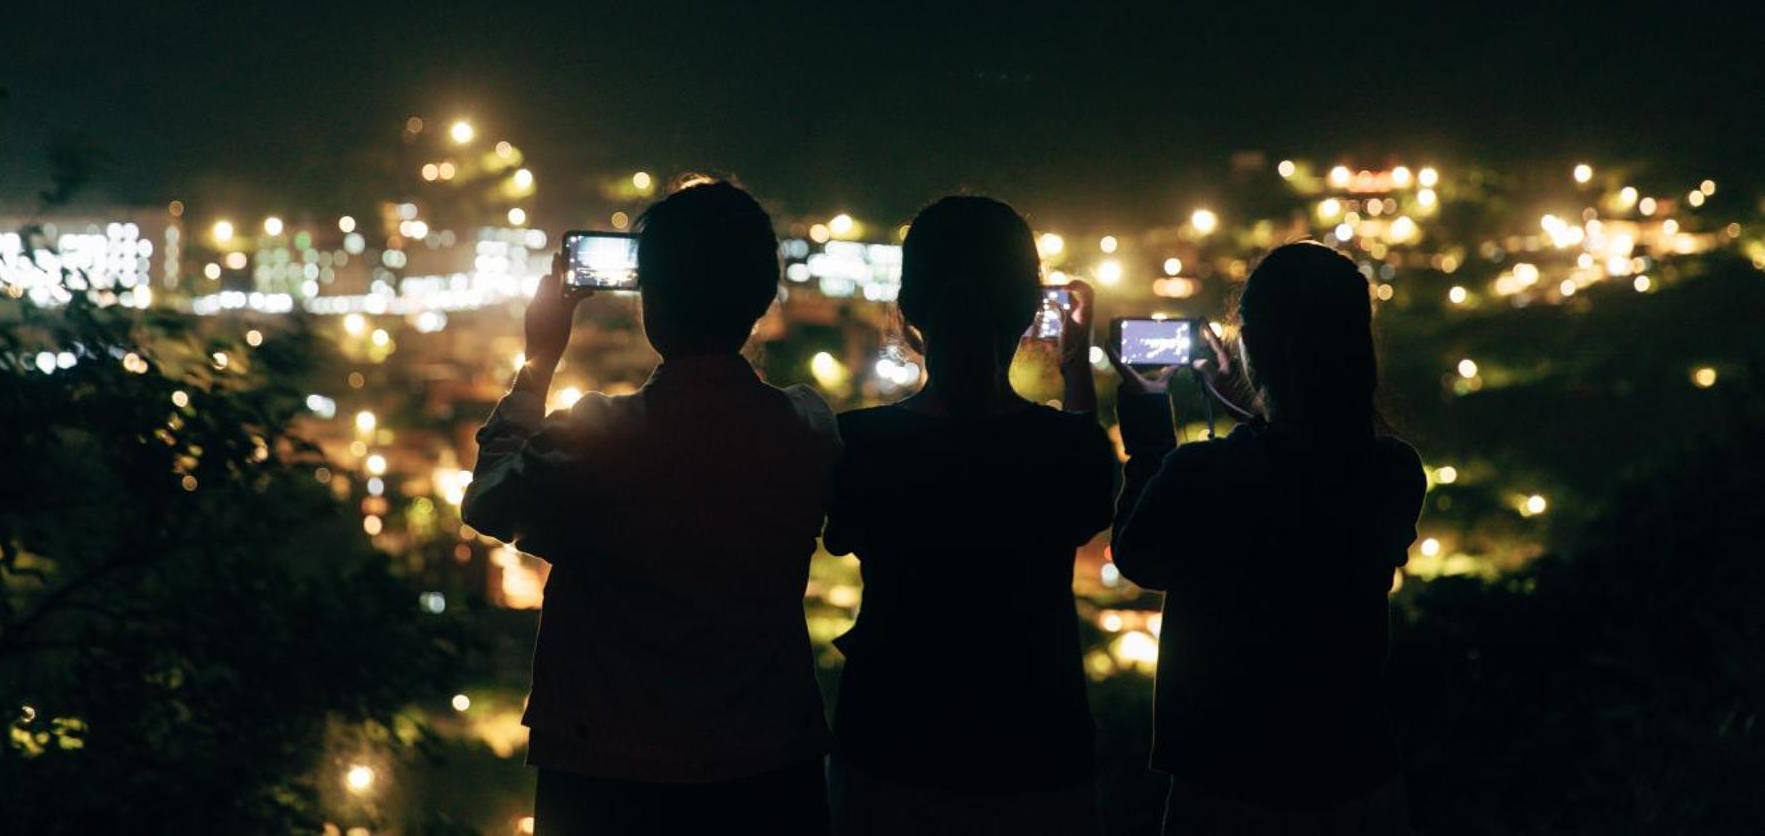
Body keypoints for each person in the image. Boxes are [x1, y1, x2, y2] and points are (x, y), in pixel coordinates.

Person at [462, 180, 840, 836]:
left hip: (607, 775)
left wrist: (538, 362)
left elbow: (489, 499)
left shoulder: (599, 438)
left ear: (650, 301)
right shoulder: (808, 426)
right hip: (769, 766)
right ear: (760, 299)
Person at [1108, 240, 1426, 835]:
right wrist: (1251, 404)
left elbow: (1136, 553)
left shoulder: (1203, 476)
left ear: (1248, 347)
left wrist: (1150, 429)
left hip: (1227, 783)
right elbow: (1297, 468)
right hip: (1357, 775)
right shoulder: (1393, 472)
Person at [824, 195, 1117, 835]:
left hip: (890, 747)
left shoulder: (859, 445)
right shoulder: (1067, 450)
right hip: (1038, 752)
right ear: (1026, 313)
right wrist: (1075, 368)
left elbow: (842, 534)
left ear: (910, 314)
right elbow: (1086, 483)